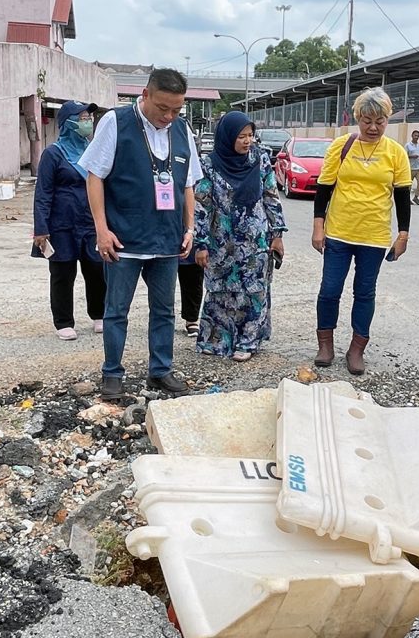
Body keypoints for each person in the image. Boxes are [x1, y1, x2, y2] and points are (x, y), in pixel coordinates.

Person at [78, 68, 199, 400]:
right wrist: (101, 229)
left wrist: (189, 228)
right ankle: (112, 374)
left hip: (167, 240)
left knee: (164, 310)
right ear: (145, 95)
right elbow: (95, 176)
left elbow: (188, 184)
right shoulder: (116, 123)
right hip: (124, 239)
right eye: (163, 108)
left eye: (176, 109)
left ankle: (160, 371)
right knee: (116, 310)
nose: (169, 115)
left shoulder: (182, 130)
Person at [312, 87, 412, 375]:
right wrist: (318, 227)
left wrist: (403, 235)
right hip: (339, 233)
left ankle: (357, 349)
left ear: (388, 120)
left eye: (380, 121)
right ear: (356, 118)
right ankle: (325, 344)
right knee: (330, 290)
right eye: (367, 120)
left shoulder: (396, 152)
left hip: (374, 236)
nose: (372, 127)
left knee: (365, 293)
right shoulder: (341, 146)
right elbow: (324, 189)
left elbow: (403, 196)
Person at [194, 111, 287, 361]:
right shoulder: (209, 165)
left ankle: (249, 340)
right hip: (221, 241)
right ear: (227, 138)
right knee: (220, 290)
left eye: (251, 135)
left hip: (255, 240)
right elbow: (201, 206)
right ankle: (217, 340)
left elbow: (271, 197)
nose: (248, 141)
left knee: (254, 290)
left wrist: (277, 234)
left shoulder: (261, 160)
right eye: (241, 136)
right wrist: (200, 243)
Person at [32, 100, 106, 341]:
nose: (88, 122)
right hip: (62, 224)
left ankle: (99, 314)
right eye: (83, 118)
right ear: (68, 123)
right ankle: (63, 321)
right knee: (63, 273)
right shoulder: (53, 153)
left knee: (96, 269)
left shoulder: (94, 150)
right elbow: (43, 194)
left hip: (90, 222)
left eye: (89, 117)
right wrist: (41, 228)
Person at [177, 117, 205, 338]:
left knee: (192, 273)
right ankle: (162, 316)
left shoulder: (198, 166)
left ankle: (192, 318)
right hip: (163, 221)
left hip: (189, 221)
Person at [406, 129, 419, 205]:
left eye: (418, 136)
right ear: (412, 136)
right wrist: (411, 156)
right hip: (410, 168)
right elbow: (404, 156)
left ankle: (416, 197)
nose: (416, 137)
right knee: (408, 185)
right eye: (415, 135)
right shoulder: (408, 145)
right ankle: (407, 199)